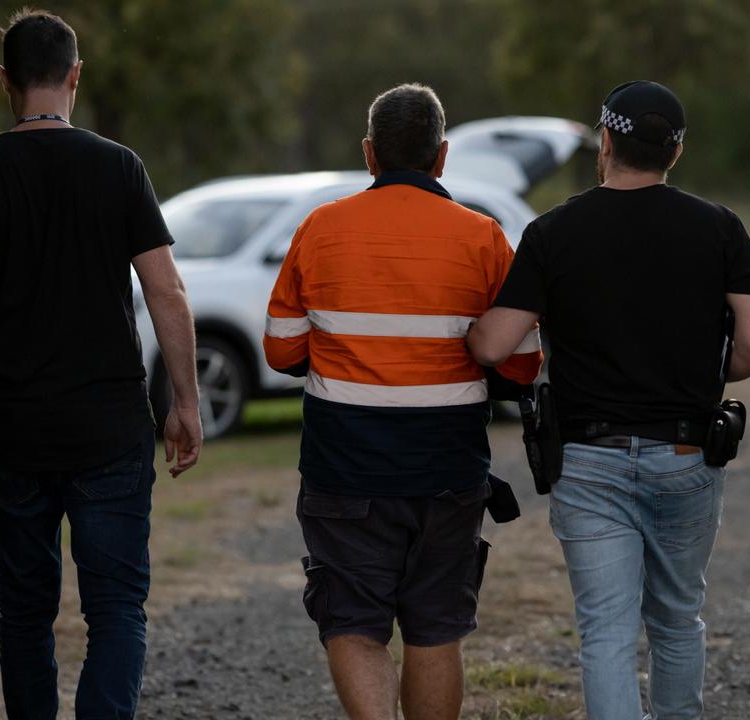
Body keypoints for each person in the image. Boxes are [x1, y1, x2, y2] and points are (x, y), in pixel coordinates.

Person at [0, 9, 203, 718]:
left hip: (12, 429)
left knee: (23, 611)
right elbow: (166, 288)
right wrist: (186, 403)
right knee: (115, 610)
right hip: (108, 427)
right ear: (75, 77)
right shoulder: (119, 167)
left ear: (3, 81)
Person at [467, 80, 750, 719]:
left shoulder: (554, 232)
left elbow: (494, 347)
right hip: (688, 449)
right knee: (676, 620)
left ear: (605, 142)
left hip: (588, 458)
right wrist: (702, 376)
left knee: (606, 633)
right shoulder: (721, 229)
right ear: (677, 152)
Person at [263, 83, 542, 720]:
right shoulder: (484, 237)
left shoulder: (320, 228)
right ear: (441, 157)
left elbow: (281, 352)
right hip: (448, 467)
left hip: (345, 467)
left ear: (369, 154)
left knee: (355, 624)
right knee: (436, 628)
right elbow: (524, 362)